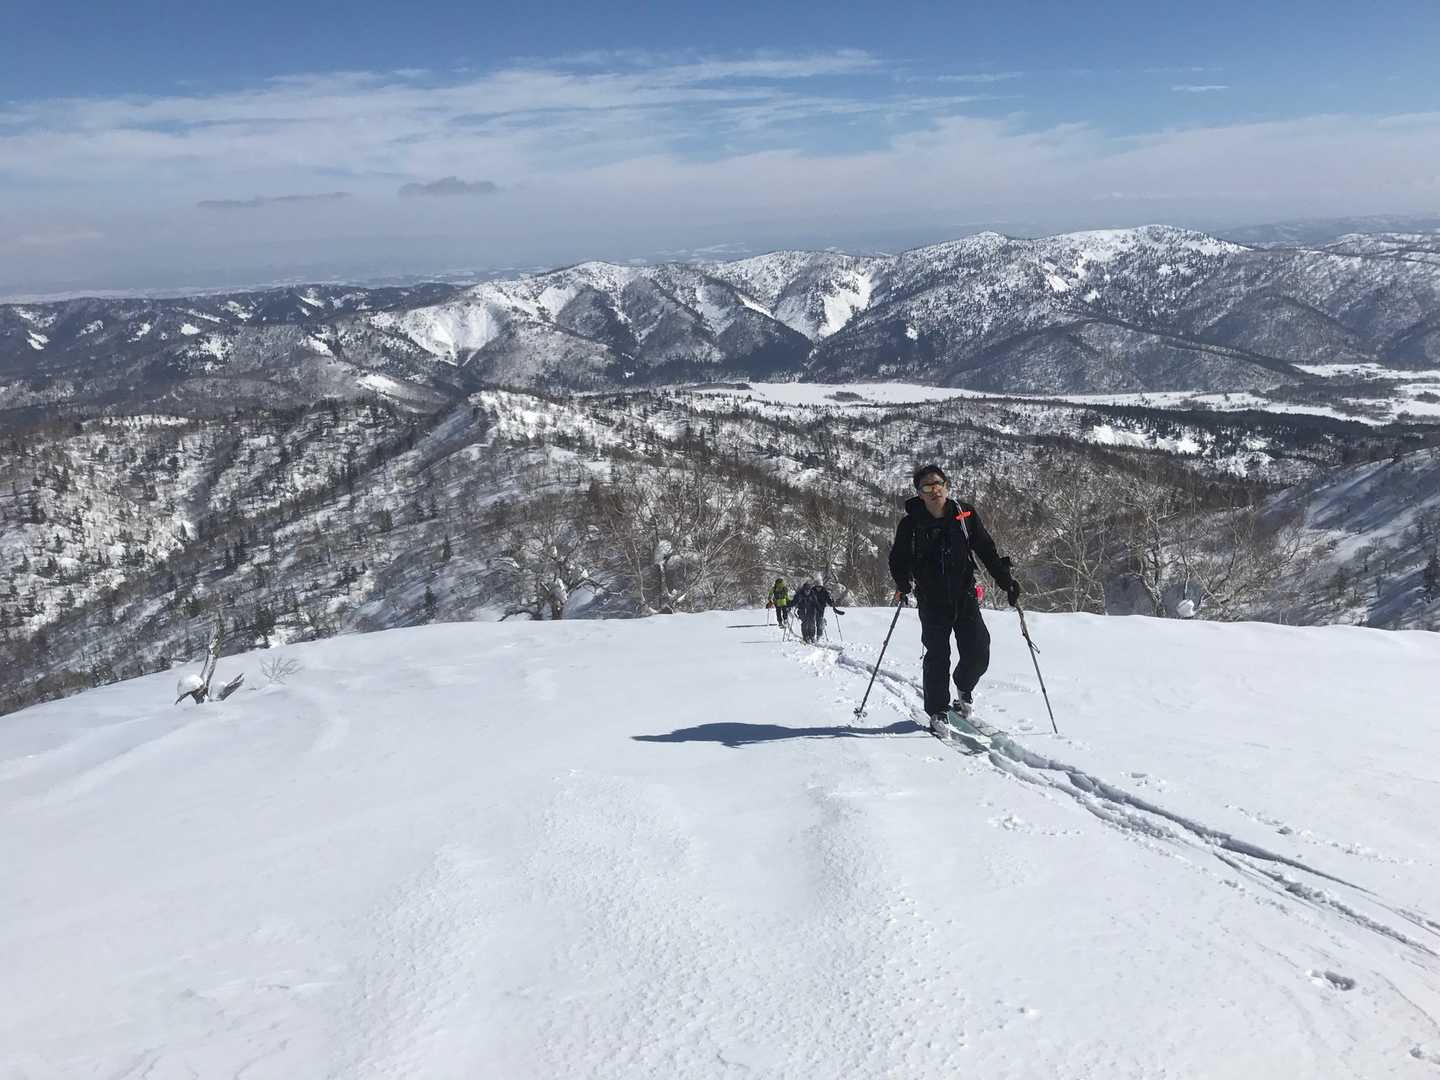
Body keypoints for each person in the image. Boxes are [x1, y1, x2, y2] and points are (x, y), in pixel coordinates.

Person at [888, 464, 1021, 731]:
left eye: (938, 483)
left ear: (946, 485)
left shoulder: (964, 515)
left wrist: (1005, 580)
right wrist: (903, 582)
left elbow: (986, 549)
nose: (934, 490)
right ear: (919, 493)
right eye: (927, 486)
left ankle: (963, 686)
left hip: (964, 595)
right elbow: (898, 558)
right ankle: (937, 711)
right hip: (931, 599)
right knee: (937, 654)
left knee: (978, 650)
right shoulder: (911, 523)